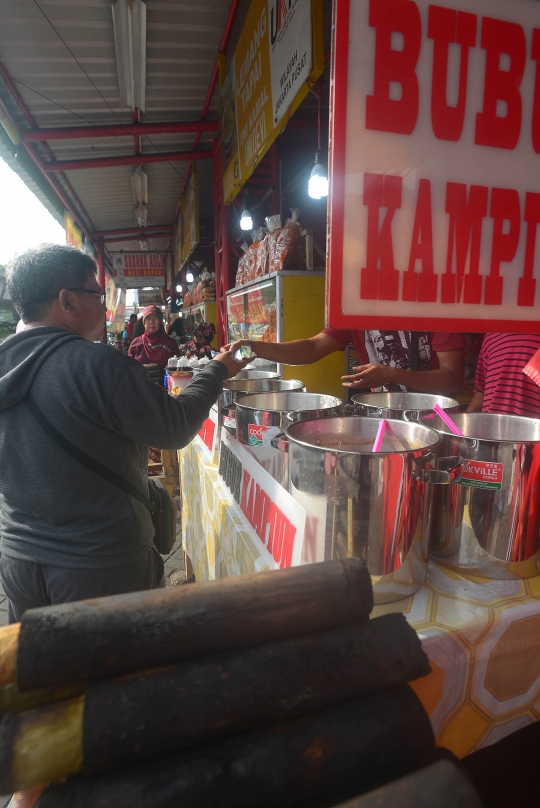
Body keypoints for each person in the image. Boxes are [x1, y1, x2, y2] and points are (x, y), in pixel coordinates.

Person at [225, 329, 465, 396]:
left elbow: (452, 379)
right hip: (381, 419)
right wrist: (253, 348)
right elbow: (312, 347)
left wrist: (394, 374)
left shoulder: (436, 308)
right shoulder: (357, 308)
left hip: (435, 421)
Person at [467, 333, 540, 417]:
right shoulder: (491, 336)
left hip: (533, 427)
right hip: (491, 426)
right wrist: (466, 419)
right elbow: (481, 390)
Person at [127, 305, 180, 372]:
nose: (151, 322)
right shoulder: (136, 343)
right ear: (144, 321)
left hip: (166, 382)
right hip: (141, 382)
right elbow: (129, 369)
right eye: (148, 318)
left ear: (160, 321)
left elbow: (178, 368)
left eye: (155, 318)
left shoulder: (170, 343)